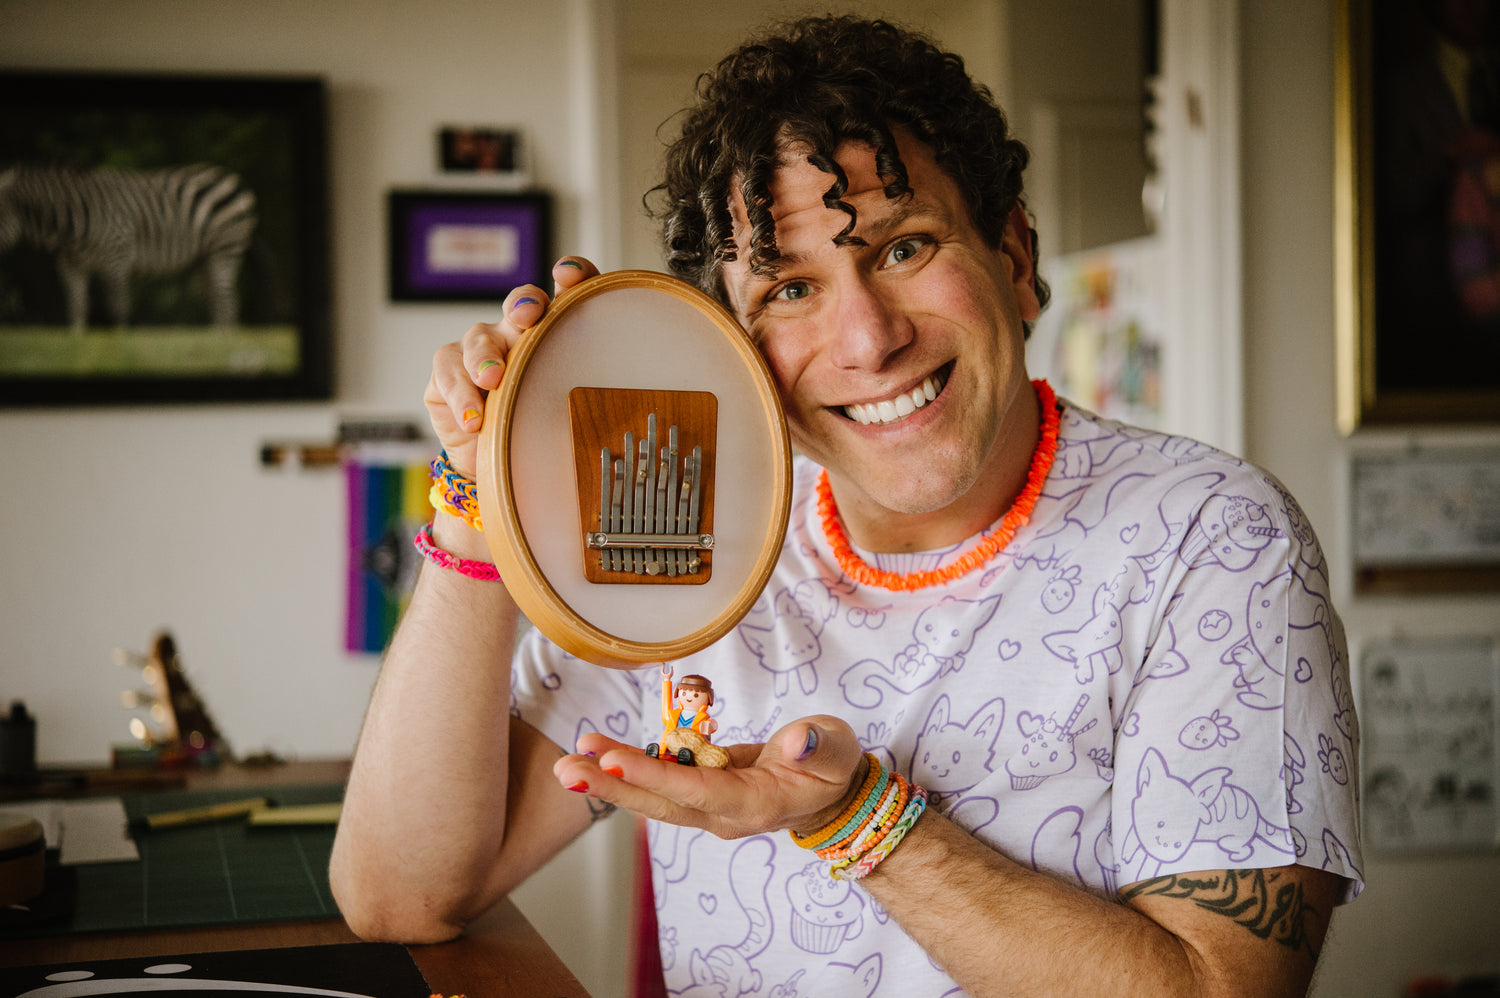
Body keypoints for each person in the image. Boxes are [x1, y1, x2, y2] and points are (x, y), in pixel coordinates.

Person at [330, 16, 1362, 996]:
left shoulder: (1215, 538)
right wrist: (477, 492)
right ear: (735, 353)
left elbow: (1226, 984)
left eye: (902, 246)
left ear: (1014, 260)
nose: (868, 339)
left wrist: (862, 817)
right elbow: (398, 893)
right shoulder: (686, 552)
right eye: (789, 289)